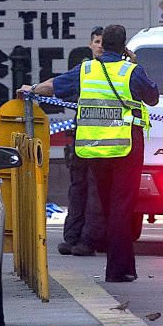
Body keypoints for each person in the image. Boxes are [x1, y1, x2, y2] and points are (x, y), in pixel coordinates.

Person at [22, 25, 158, 282]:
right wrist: (136, 64)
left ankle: (126, 267)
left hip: (94, 150)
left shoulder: (86, 70)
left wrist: (32, 89)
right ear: (124, 47)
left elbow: (55, 86)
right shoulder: (131, 71)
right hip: (126, 149)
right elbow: (152, 98)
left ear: (103, 45)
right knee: (121, 208)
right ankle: (118, 271)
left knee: (109, 207)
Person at [58, 26, 107, 257]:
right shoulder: (85, 69)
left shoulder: (119, 70)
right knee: (77, 189)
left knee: (94, 192)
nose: (99, 45)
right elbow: (58, 85)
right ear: (90, 44)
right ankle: (72, 238)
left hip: (107, 144)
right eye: (96, 41)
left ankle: (88, 241)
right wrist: (35, 89)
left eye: (103, 42)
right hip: (83, 140)